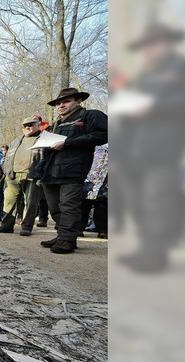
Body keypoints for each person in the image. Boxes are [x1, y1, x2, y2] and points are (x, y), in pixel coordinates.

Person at [113, 23, 185, 271]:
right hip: (135, 151)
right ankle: (147, 249)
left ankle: (154, 256)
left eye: (153, 45)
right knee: (138, 204)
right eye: (144, 47)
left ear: (169, 43)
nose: (147, 52)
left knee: (158, 201)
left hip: (168, 149)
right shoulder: (144, 77)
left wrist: (158, 106)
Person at [37, 87, 108, 254]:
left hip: (73, 170)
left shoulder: (89, 116)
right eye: (58, 103)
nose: (61, 105)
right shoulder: (55, 124)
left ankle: (66, 240)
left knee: (69, 205)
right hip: (50, 171)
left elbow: (105, 134)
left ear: (78, 101)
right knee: (54, 207)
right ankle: (64, 235)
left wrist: (68, 143)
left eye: (66, 101)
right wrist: (39, 171)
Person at [0, 116, 43, 236]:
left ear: (38, 125)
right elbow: (7, 158)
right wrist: (7, 171)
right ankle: (6, 226)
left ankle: (26, 227)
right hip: (13, 175)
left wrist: (41, 174)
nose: (27, 127)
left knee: (30, 203)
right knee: (9, 201)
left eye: (31, 124)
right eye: (25, 126)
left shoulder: (43, 139)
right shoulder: (16, 140)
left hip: (32, 176)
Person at [80, 145, 108, 239]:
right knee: (84, 201)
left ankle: (103, 229)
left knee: (103, 202)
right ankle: (79, 228)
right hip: (90, 174)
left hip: (106, 176)